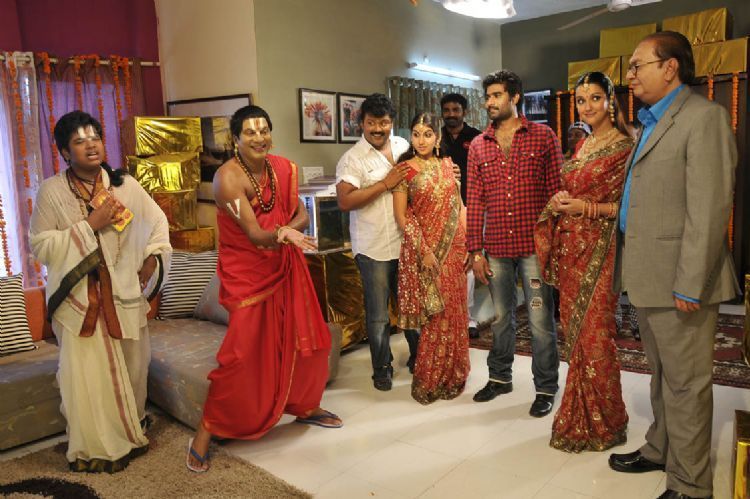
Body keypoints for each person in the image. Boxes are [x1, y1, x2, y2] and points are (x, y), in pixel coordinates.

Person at [608, 32, 738, 499]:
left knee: (686, 385)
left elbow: (709, 210)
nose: (630, 75)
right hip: (648, 274)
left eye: (637, 65)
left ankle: (691, 483)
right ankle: (661, 448)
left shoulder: (704, 118)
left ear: (670, 68)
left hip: (682, 280)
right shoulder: (650, 120)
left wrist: (690, 284)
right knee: (662, 375)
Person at [187, 105, 342, 473]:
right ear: (235, 139)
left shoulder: (283, 168)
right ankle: (205, 432)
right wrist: (284, 232)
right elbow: (257, 235)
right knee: (241, 356)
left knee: (312, 342)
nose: (259, 138)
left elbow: (301, 213)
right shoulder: (226, 179)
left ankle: (305, 406)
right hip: (249, 275)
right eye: (250, 132)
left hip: (286, 267)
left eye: (264, 130)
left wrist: (289, 229)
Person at [29, 111, 171, 472]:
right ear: (65, 152)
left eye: (95, 137)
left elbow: (157, 221)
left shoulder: (125, 186)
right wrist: (88, 226)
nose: (90, 145)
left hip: (123, 292)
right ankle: (96, 447)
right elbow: (40, 246)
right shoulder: (52, 191)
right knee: (89, 381)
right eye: (79, 141)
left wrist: (152, 257)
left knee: (133, 367)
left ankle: (132, 428)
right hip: (79, 299)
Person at [534, 71, 633, 452]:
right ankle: (579, 411)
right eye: (580, 100)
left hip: (601, 251)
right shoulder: (584, 144)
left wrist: (585, 208)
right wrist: (559, 200)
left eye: (594, 98)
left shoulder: (625, 146)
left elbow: (629, 207)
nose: (587, 106)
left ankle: (607, 420)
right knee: (575, 335)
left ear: (610, 100)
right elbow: (572, 188)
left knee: (596, 335)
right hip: (572, 251)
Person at [467, 70, 562, 417]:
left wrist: (556, 244)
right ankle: (499, 378)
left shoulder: (543, 137)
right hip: (496, 248)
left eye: (496, 95)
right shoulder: (479, 145)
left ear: (515, 97)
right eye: (487, 96)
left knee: (539, 320)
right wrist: (474, 249)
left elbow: (556, 193)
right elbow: (475, 200)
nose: (489, 102)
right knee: (501, 317)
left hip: (535, 247)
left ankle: (545, 387)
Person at [336, 93, 419, 391]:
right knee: (379, 316)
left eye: (383, 122)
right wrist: (385, 184)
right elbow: (345, 201)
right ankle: (382, 369)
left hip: (405, 243)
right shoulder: (352, 159)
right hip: (373, 248)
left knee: (411, 307)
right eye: (371, 123)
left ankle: (419, 359)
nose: (378, 129)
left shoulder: (403, 146)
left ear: (391, 122)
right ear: (362, 123)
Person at [393, 112, 470, 404]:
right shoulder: (404, 170)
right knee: (435, 315)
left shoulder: (449, 166)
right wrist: (424, 250)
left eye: (427, 134)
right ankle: (431, 377)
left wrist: (469, 244)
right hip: (425, 251)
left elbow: (459, 207)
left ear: (437, 137)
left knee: (455, 311)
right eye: (416, 134)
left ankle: (454, 372)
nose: (421, 140)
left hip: (454, 249)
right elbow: (402, 217)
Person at [440, 93, 483, 339]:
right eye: (447, 110)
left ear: (464, 112)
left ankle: (468, 318)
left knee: (468, 263)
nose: (451, 114)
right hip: (441, 210)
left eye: (455, 110)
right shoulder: (436, 139)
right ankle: (447, 316)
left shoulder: (476, 137)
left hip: (471, 209)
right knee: (445, 265)